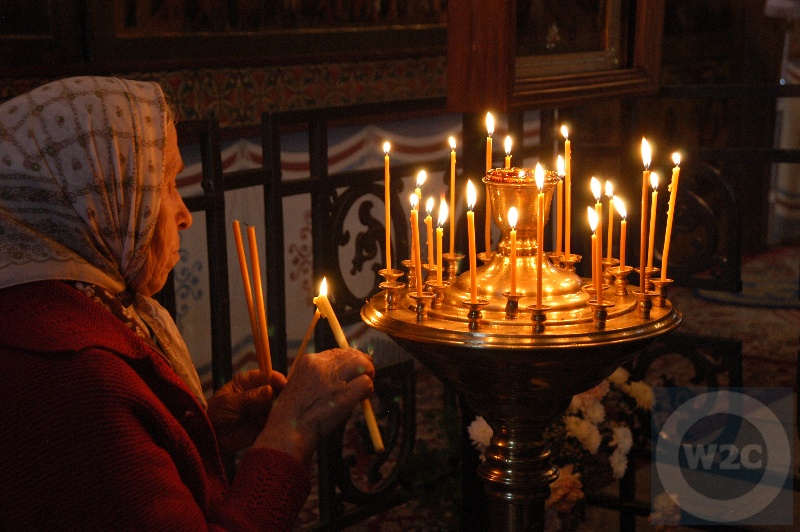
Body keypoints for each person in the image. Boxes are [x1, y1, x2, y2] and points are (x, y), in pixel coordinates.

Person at [0, 76, 376, 530]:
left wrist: (196, 432)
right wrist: (290, 431)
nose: (183, 216)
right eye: (167, 184)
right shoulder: (75, 376)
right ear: (98, 198)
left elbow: (115, 492)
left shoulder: (51, 311)